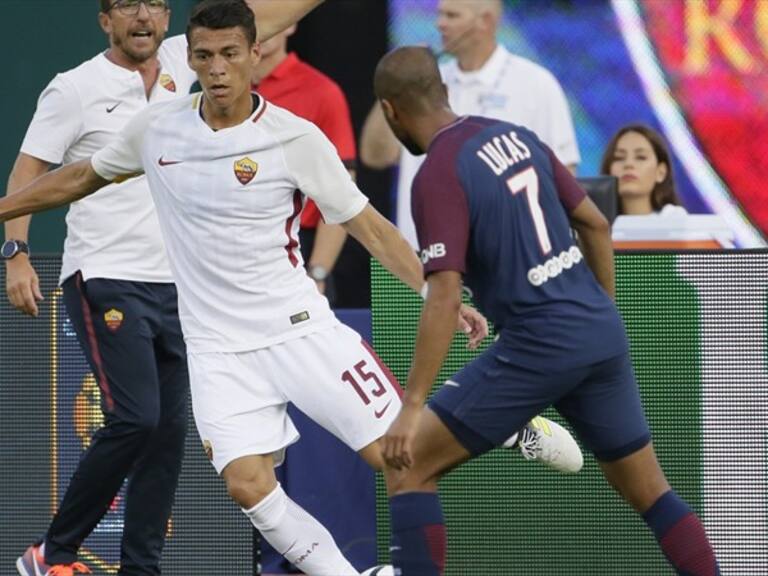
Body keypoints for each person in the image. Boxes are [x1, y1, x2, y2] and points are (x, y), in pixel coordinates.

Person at [0, 3, 582, 575]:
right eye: (204, 56)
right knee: (247, 484)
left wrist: (437, 295)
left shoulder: (293, 137)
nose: (218, 68)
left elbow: (370, 229)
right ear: (192, 61)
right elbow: (82, 175)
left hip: (299, 329)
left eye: (230, 54)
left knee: (393, 455)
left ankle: (504, 425)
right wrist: (6, 214)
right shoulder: (157, 128)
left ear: (256, 55)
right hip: (218, 350)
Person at [4, 1, 329, 575]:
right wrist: (16, 252)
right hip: (106, 271)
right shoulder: (74, 87)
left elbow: (269, 18)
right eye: (127, 5)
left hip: (182, 285)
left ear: (167, 14)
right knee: (137, 417)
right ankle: (51, 552)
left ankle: (142, 569)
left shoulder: (192, 56)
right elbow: (32, 170)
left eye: (153, 3)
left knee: (170, 433)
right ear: (105, 19)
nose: (142, 16)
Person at [373, 46, 721, 576]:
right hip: (596, 329)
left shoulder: (437, 173)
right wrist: (601, 307)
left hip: (536, 345)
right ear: (441, 91)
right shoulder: (515, 134)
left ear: (391, 110)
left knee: (409, 462)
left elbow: (444, 294)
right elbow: (596, 224)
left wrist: (413, 403)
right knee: (651, 492)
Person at [359, 0, 580, 248]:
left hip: (508, 256)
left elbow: (564, 175)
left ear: (485, 21)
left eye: (452, 16)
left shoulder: (535, 84)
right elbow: (375, 155)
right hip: (420, 256)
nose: (440, 23)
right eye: (440, 14)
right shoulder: (423, 82)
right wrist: (398, 81)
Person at [250, 23, 354, 304]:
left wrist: (317, 271)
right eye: (254, 13)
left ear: (291, 22)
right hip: (240, 245)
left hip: (299, 246)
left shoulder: (321, 91)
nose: (263, 26)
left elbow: (342, 190)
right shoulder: (220, 91)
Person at [600, 124, 687, 216]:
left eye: (641, 157)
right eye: (619, 158)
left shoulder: (673, 218)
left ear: (661, 172)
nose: (628, 164)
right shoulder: (594, 225)